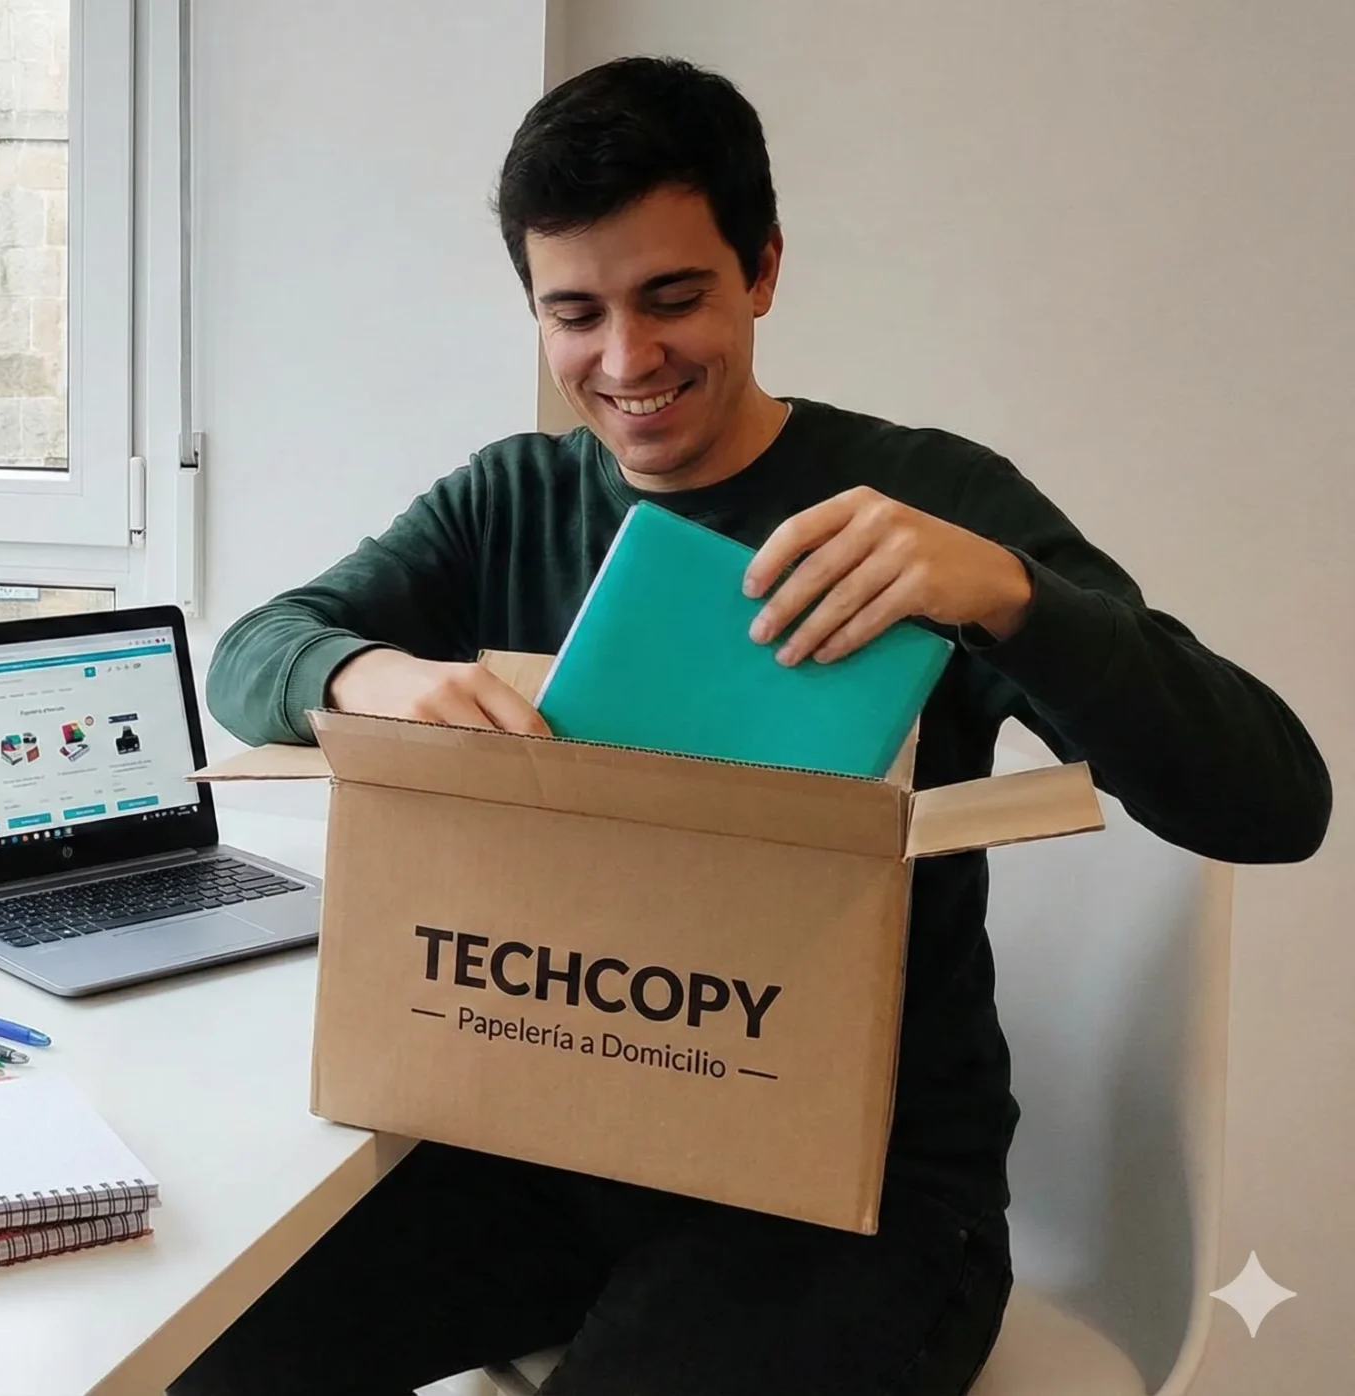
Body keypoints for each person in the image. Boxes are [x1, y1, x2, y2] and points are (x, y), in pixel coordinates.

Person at [175, 56, 1330, 1396]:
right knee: (199, 1350)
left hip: (859, 1201)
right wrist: (362, 676)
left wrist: (1011, 597)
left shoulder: (922, 502)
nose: (625, 362)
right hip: (549, 1139)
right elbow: (252, 652)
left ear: (763, 267)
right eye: (576, 314)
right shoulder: (511, 502)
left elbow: (1273, 799)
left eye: (673, 298)